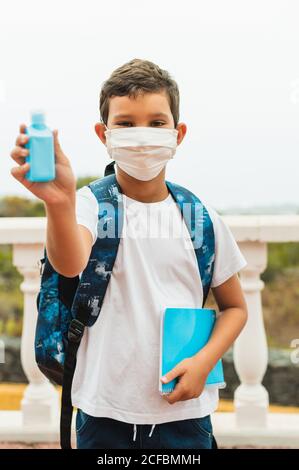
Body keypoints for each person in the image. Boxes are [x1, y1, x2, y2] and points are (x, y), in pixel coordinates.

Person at [10, 58, 248, 449]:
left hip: (186, 419)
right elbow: (71, 264)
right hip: (103, 416)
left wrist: (205, 360)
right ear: (103, 133)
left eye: (156, 123)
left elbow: (236, 308)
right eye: (125, 123)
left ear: (178, 132)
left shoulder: (200, 217)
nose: (141, 136)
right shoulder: (87, 205)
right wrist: (58, 202)